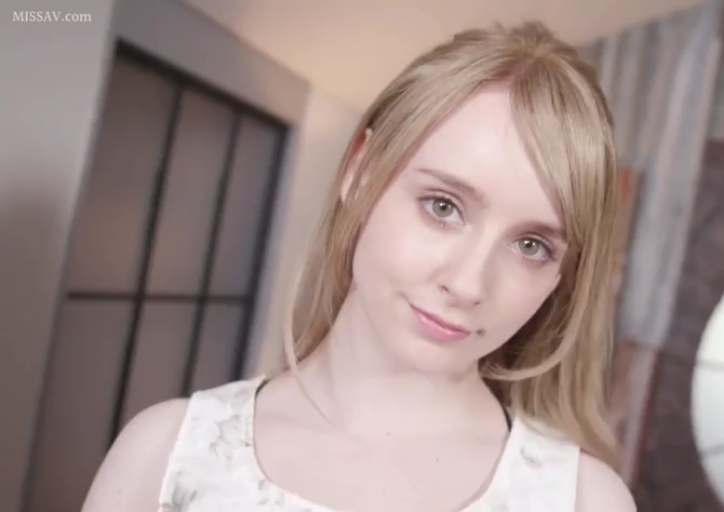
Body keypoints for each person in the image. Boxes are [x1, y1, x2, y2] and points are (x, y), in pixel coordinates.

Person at [81, 20, 635, 512]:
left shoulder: (584, 502)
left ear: (562, 276)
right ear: (361, 171)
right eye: (443, 207)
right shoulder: (167, 454)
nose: (468, 284)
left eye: (531, 245)